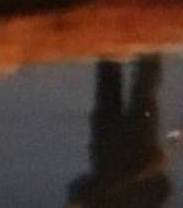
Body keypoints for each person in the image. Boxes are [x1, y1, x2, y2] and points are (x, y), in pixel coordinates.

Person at [66, 57, 171, 208]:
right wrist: (156, 166)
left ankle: (118, 47)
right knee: (142, 88)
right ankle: (150, 49)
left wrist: (88, 196)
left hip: (108, 146)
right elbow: (163, 186)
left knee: (112, 84)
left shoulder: (99, 202)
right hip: (138, 143)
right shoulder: (145, 202)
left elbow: (78, 189)